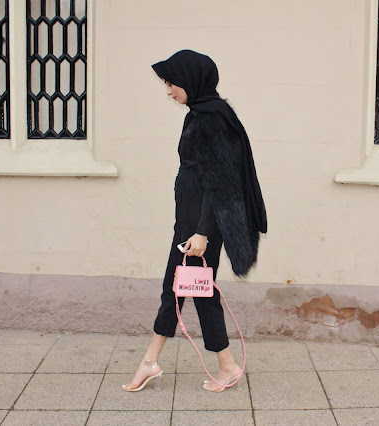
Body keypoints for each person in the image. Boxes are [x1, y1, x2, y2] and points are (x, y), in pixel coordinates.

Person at [122, 50, 267, 393]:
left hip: (201, 226)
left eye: (172, 83)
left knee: (186, 290)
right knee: (186, 289)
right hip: (189, 223)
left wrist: (202, 232)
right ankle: (161, 363)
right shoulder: (200, 114)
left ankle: (207, 365)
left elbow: (221, 182)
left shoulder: (212, 119)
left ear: (191, 80)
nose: (169, 91)